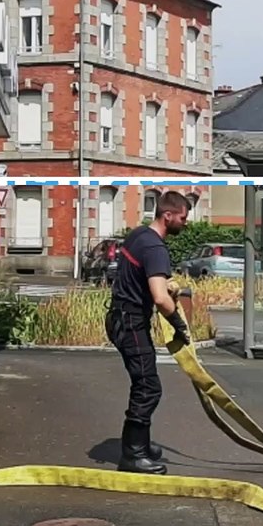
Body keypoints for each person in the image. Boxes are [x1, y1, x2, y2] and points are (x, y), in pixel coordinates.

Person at [105, 190, 193, 475]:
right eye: (183, 217)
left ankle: (140, 443)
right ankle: (133, 455)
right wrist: (179, 324)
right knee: (148, 387)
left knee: (144, 382)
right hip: (130, 322)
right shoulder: (155, 248)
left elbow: (150, 279)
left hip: (119, 318)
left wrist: (168, 283)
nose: (185, 222)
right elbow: (158, 296)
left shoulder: (139, 235)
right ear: (167, 216)